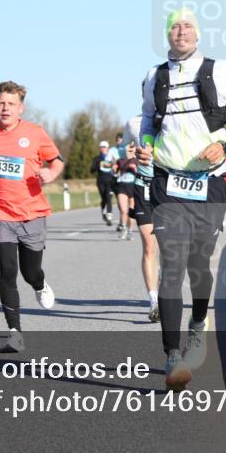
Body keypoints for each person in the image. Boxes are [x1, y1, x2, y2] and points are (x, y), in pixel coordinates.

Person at [136, 7, 226, 391]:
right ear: (166, 34)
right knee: (171, 264)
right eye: (174, 26)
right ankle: (172, 354)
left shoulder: (221, 71)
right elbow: (147, 119)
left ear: (198, 34)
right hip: (168, 182)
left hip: (210, 183)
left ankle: (197, 326)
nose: (181, 32)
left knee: (198, 263)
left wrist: (224, 144)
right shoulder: (154, 76)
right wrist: (147, 146)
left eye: (187, 26)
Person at [0, 81, 62, 353]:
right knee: (7, 271)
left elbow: (56, 160)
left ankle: (39, 284)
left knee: (30, 272)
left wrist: (51, 174)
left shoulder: (35, 133)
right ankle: (14, 332)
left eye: (11, 104)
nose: (5, 108)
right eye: (1, 103)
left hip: (32, 212)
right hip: (0, 211)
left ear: (21, 107)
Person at [122, 111, 160, 322]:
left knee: (169, 246)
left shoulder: (171, 118)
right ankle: (153, 301)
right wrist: (127, 156)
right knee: (149, 245)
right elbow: (123, 149)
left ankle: (163, 276)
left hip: (168, 188)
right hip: (143, 187)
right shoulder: (133, 122)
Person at [113, 131, 138, 240]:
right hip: (122, 185)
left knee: (131, 211)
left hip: (133, 186)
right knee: (124, 210)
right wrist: (114, 169)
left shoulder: (137, 157)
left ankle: (130, 231)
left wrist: (135, 169)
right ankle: (123, 228)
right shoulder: (121, 157)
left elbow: (143, 171)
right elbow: (114, 170)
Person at [91, 141, 116, 226]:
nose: (103, 148)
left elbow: (117, 168)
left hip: (110, 181)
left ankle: (109, 217)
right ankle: (103, 210)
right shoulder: (97, 158)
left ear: (107, 148)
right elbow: (91, 170)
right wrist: (97, 165)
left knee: (109, 198)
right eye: (101, 147)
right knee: (104, 199)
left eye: (104, 147)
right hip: (100, 181)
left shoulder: (112, 158)